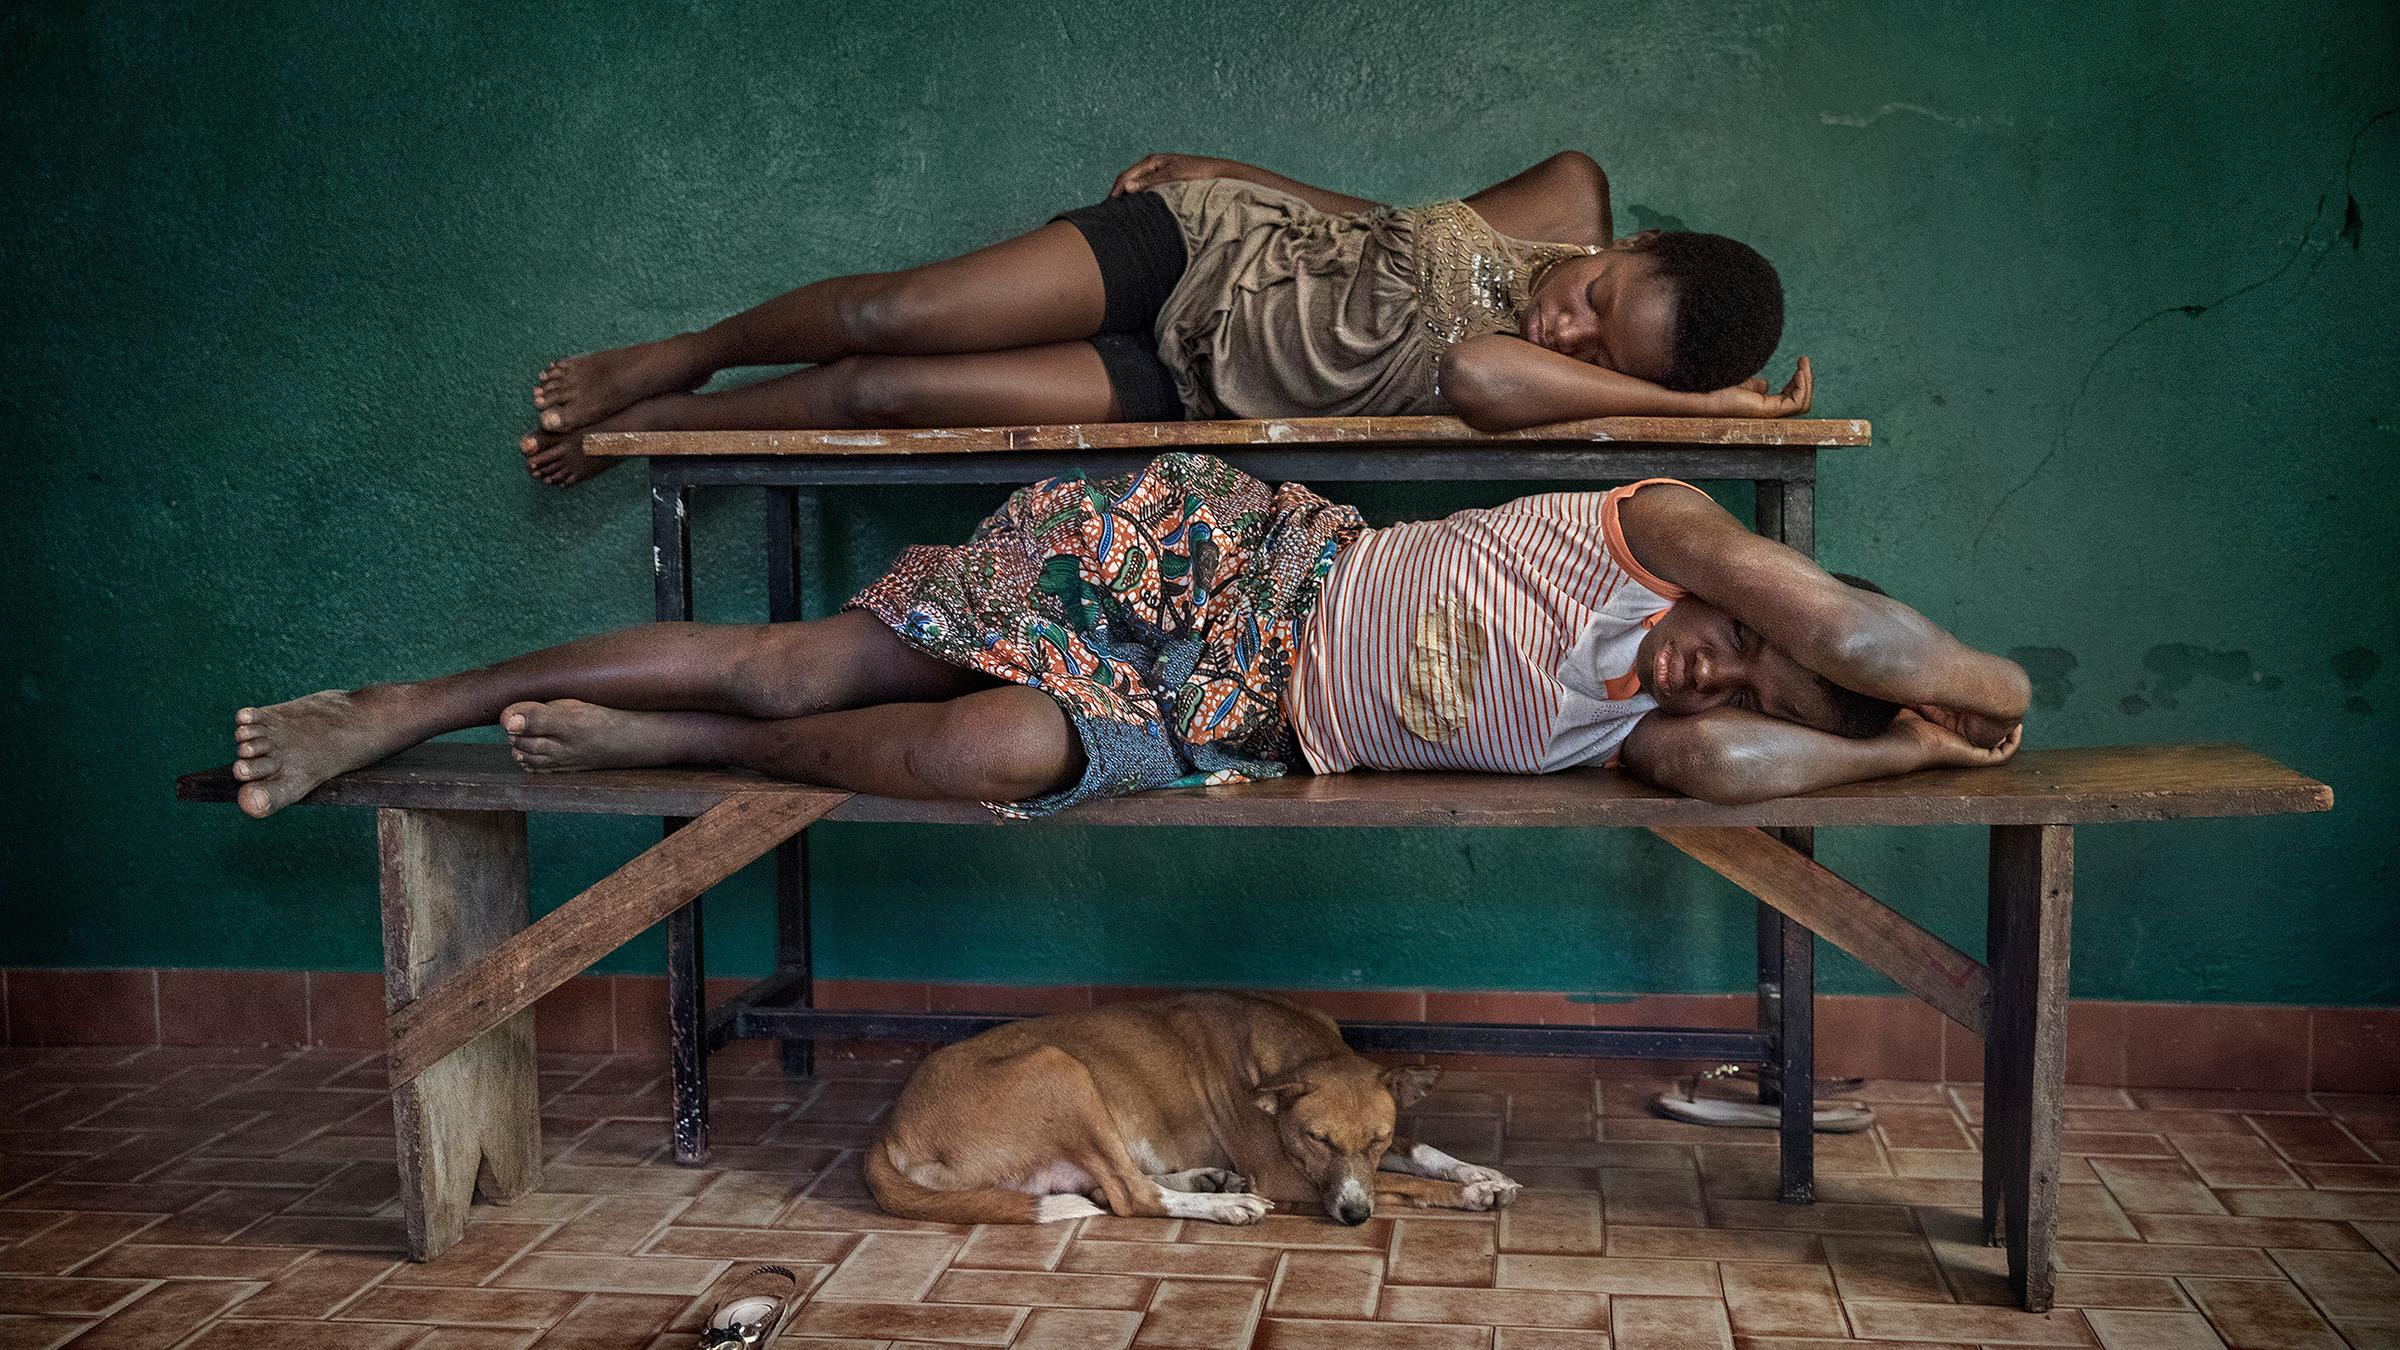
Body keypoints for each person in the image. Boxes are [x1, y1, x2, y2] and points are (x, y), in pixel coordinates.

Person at [229, 455, 2026, 820]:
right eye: (1741, 639)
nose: (1711, 667)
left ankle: (665, 750)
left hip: (1232, 719)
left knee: (985, 751)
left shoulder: (1656, 733)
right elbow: (1880, 633)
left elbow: (1724, 758)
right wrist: (1952, 692)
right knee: (801, 664)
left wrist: (1867, 744)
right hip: (1207, 559)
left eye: (1753, 684)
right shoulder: (1670, 528)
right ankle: (419, 698)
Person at [516, 152, 1812, 486]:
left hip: (1193, 388)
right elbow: (1392, 221)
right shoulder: (1567, 193)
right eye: (1595, 300)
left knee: (885, 394)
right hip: (1207, 245)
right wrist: (1227, 164)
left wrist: (1686, 404)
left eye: (1602, 354)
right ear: (1626, 240)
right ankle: (680, 357)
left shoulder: (1530, 370)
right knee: (895, 308)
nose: (1572, 329)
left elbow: (1478, 373)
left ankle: (670, 428)